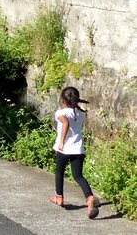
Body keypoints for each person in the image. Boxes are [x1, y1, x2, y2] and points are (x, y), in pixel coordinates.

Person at [50, 86, 100, 219]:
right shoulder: (81, 113)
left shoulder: (61, 113)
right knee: (78, 176)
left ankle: (59, 197)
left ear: (63, 101)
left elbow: (65, 123)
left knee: (59, 172)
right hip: (78, 149)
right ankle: (89, 197)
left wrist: (61, 141)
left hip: (65, 149)